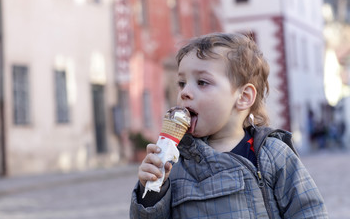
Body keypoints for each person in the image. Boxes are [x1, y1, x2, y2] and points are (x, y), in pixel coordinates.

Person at [130, 33, 328, 218]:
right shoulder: (174, 162)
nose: (185, 92)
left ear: (243, 97)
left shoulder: (271, 154)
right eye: (182, 83)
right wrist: (151, 190)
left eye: (202, 82)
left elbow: (309, 211)